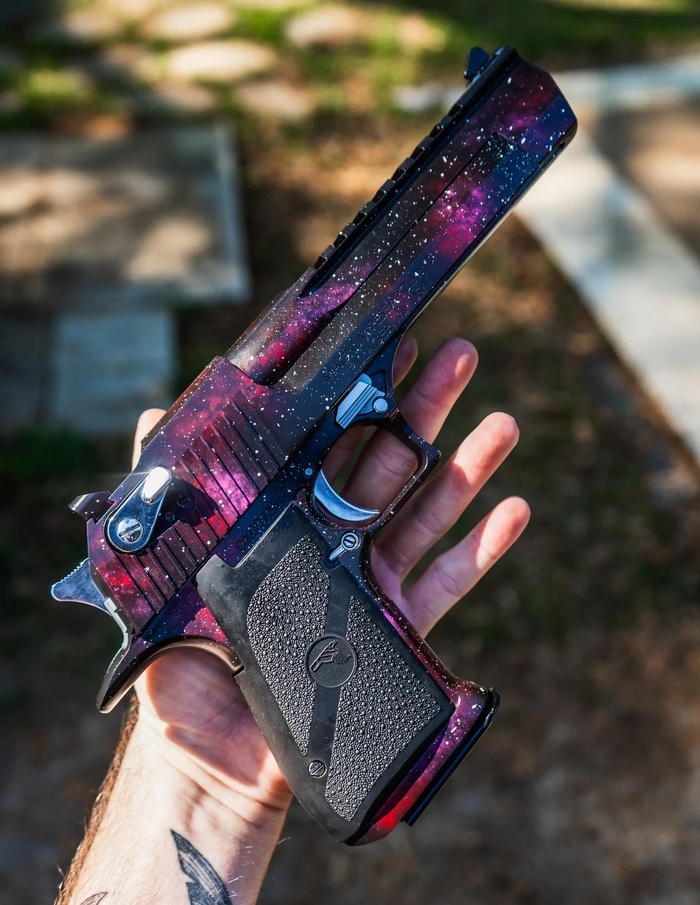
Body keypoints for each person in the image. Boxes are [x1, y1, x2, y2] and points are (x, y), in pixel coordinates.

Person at [57, 337, 530, 905]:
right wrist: (196, 780)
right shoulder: (206, 540)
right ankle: (396, 760)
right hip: (220, 543)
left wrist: (201, 789)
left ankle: (395, 761)